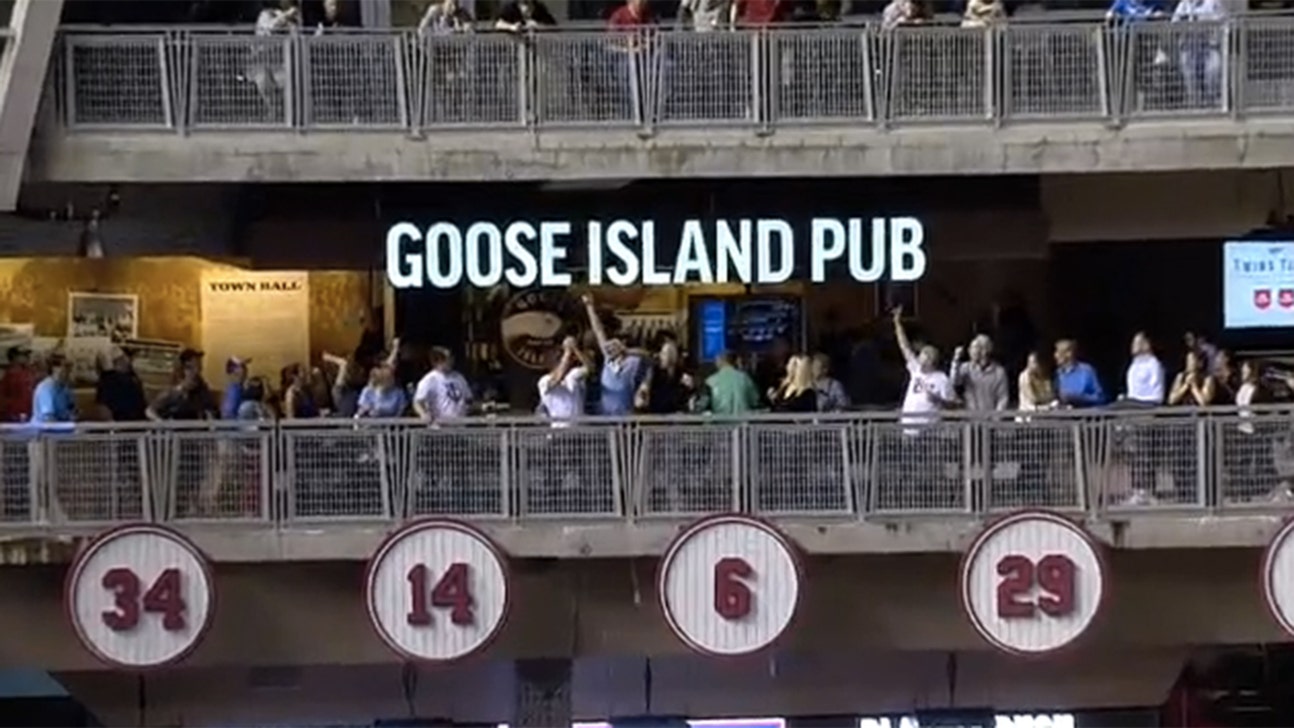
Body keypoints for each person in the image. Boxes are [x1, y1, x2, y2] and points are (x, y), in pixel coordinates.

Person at [582, 294, 646, 417]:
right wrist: (589, 307)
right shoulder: (608, 358)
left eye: (615, 346)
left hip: (626, 416)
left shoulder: (633, 361)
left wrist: (626, 351)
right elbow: (598, 330)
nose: (611, 348)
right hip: (606, 416)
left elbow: (648, 355)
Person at [894, 306, 956, 426]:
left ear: (932, 360)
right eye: (922, 354)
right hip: (908, 428)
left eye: (925, 355)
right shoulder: (916, 370)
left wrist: (938, 400)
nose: (921, 358)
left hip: (930, 433)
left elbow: (954, 404)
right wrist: (897, 323)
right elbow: (904, 346)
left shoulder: (941, 379)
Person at [950, 334, 1009, 412]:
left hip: (990, 418)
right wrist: (956, 360)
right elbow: (954, 381)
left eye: (973, 347)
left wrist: (996, 419)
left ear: (984, 351)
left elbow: (1003, 398)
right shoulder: (966, 368)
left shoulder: (999, 372)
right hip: (970, 418)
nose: (969, 350)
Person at [413, 347, 472, 422]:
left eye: (450, 358)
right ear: (437, 361)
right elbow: (417, 402)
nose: (450, 361)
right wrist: (423, 413)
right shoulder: (430, 379)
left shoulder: (459, 377)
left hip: (459, 425)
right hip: (439, 426)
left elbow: (468, 399)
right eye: (447, 359)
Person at [637, 337, 693, 414]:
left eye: (664, 354)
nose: (661, 356)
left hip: (675, 415)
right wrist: (642, 393)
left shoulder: (681, 373)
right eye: (662, 353)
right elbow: (644, 388)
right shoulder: (654, 371)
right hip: (655, 415)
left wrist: (690, 387)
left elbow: (688, 394)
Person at [95, 347, 147, 422]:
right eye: (122, 358)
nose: (127, 360)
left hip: (133, 424)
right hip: (125, 425)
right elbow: (103, 408)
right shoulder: (109, 381)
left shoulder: (131, 378)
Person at [701, 351, 760, 415]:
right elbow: (755, 401)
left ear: (720, 361)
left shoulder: (710, 381)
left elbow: (703, 405)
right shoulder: (745, 379)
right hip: (742, 422)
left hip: (719, 422)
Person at [1053, 339, 1106, 408]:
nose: (1055, 355)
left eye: (1058, 352)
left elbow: (1100, 398)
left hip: (1086, 414)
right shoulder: (1058, 374)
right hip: (1066, 416)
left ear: (1069, 354)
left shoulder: (1086, 371)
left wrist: (1079, 398)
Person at [1122, 331, 1165, 406]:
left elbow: (1155, 387)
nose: (1134, 345)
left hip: (1148, 402)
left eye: (1138, 342)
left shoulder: (1153, 364)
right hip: (1132, 401)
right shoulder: (1134, 364)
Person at [31, 355, 75, 424]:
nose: (69, 373)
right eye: (66, 368)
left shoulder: (65, 387)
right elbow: (48, 420)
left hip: (62, 428)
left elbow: (72, 409)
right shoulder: (46, 388)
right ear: (55, 370)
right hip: (43, 431)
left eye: (70, 369)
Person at [0, 345, 37, 422]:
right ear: (14, 357)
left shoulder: (28, 372)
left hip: (30, 415)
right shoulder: (9, 377)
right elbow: (3, 399)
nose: (27, 357)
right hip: (13, 417)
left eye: (27, 355)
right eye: (23, 355)